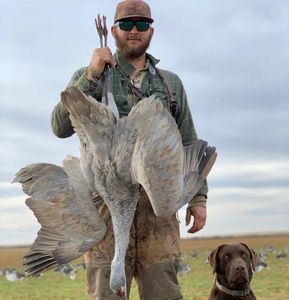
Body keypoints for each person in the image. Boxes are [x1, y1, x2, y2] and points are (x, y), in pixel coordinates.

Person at [51, 1, 208, 299]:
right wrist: (91, 75)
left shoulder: (170, 84)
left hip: (157, 210)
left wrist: (198, 198)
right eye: (126, 24)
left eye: (141, 24)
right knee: (107, 293)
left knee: (163, 293)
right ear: (113, 31)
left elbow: (187, 141)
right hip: (105, 211)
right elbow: (59, 126)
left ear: (151, 30)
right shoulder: (91, 75)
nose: (134, 30)